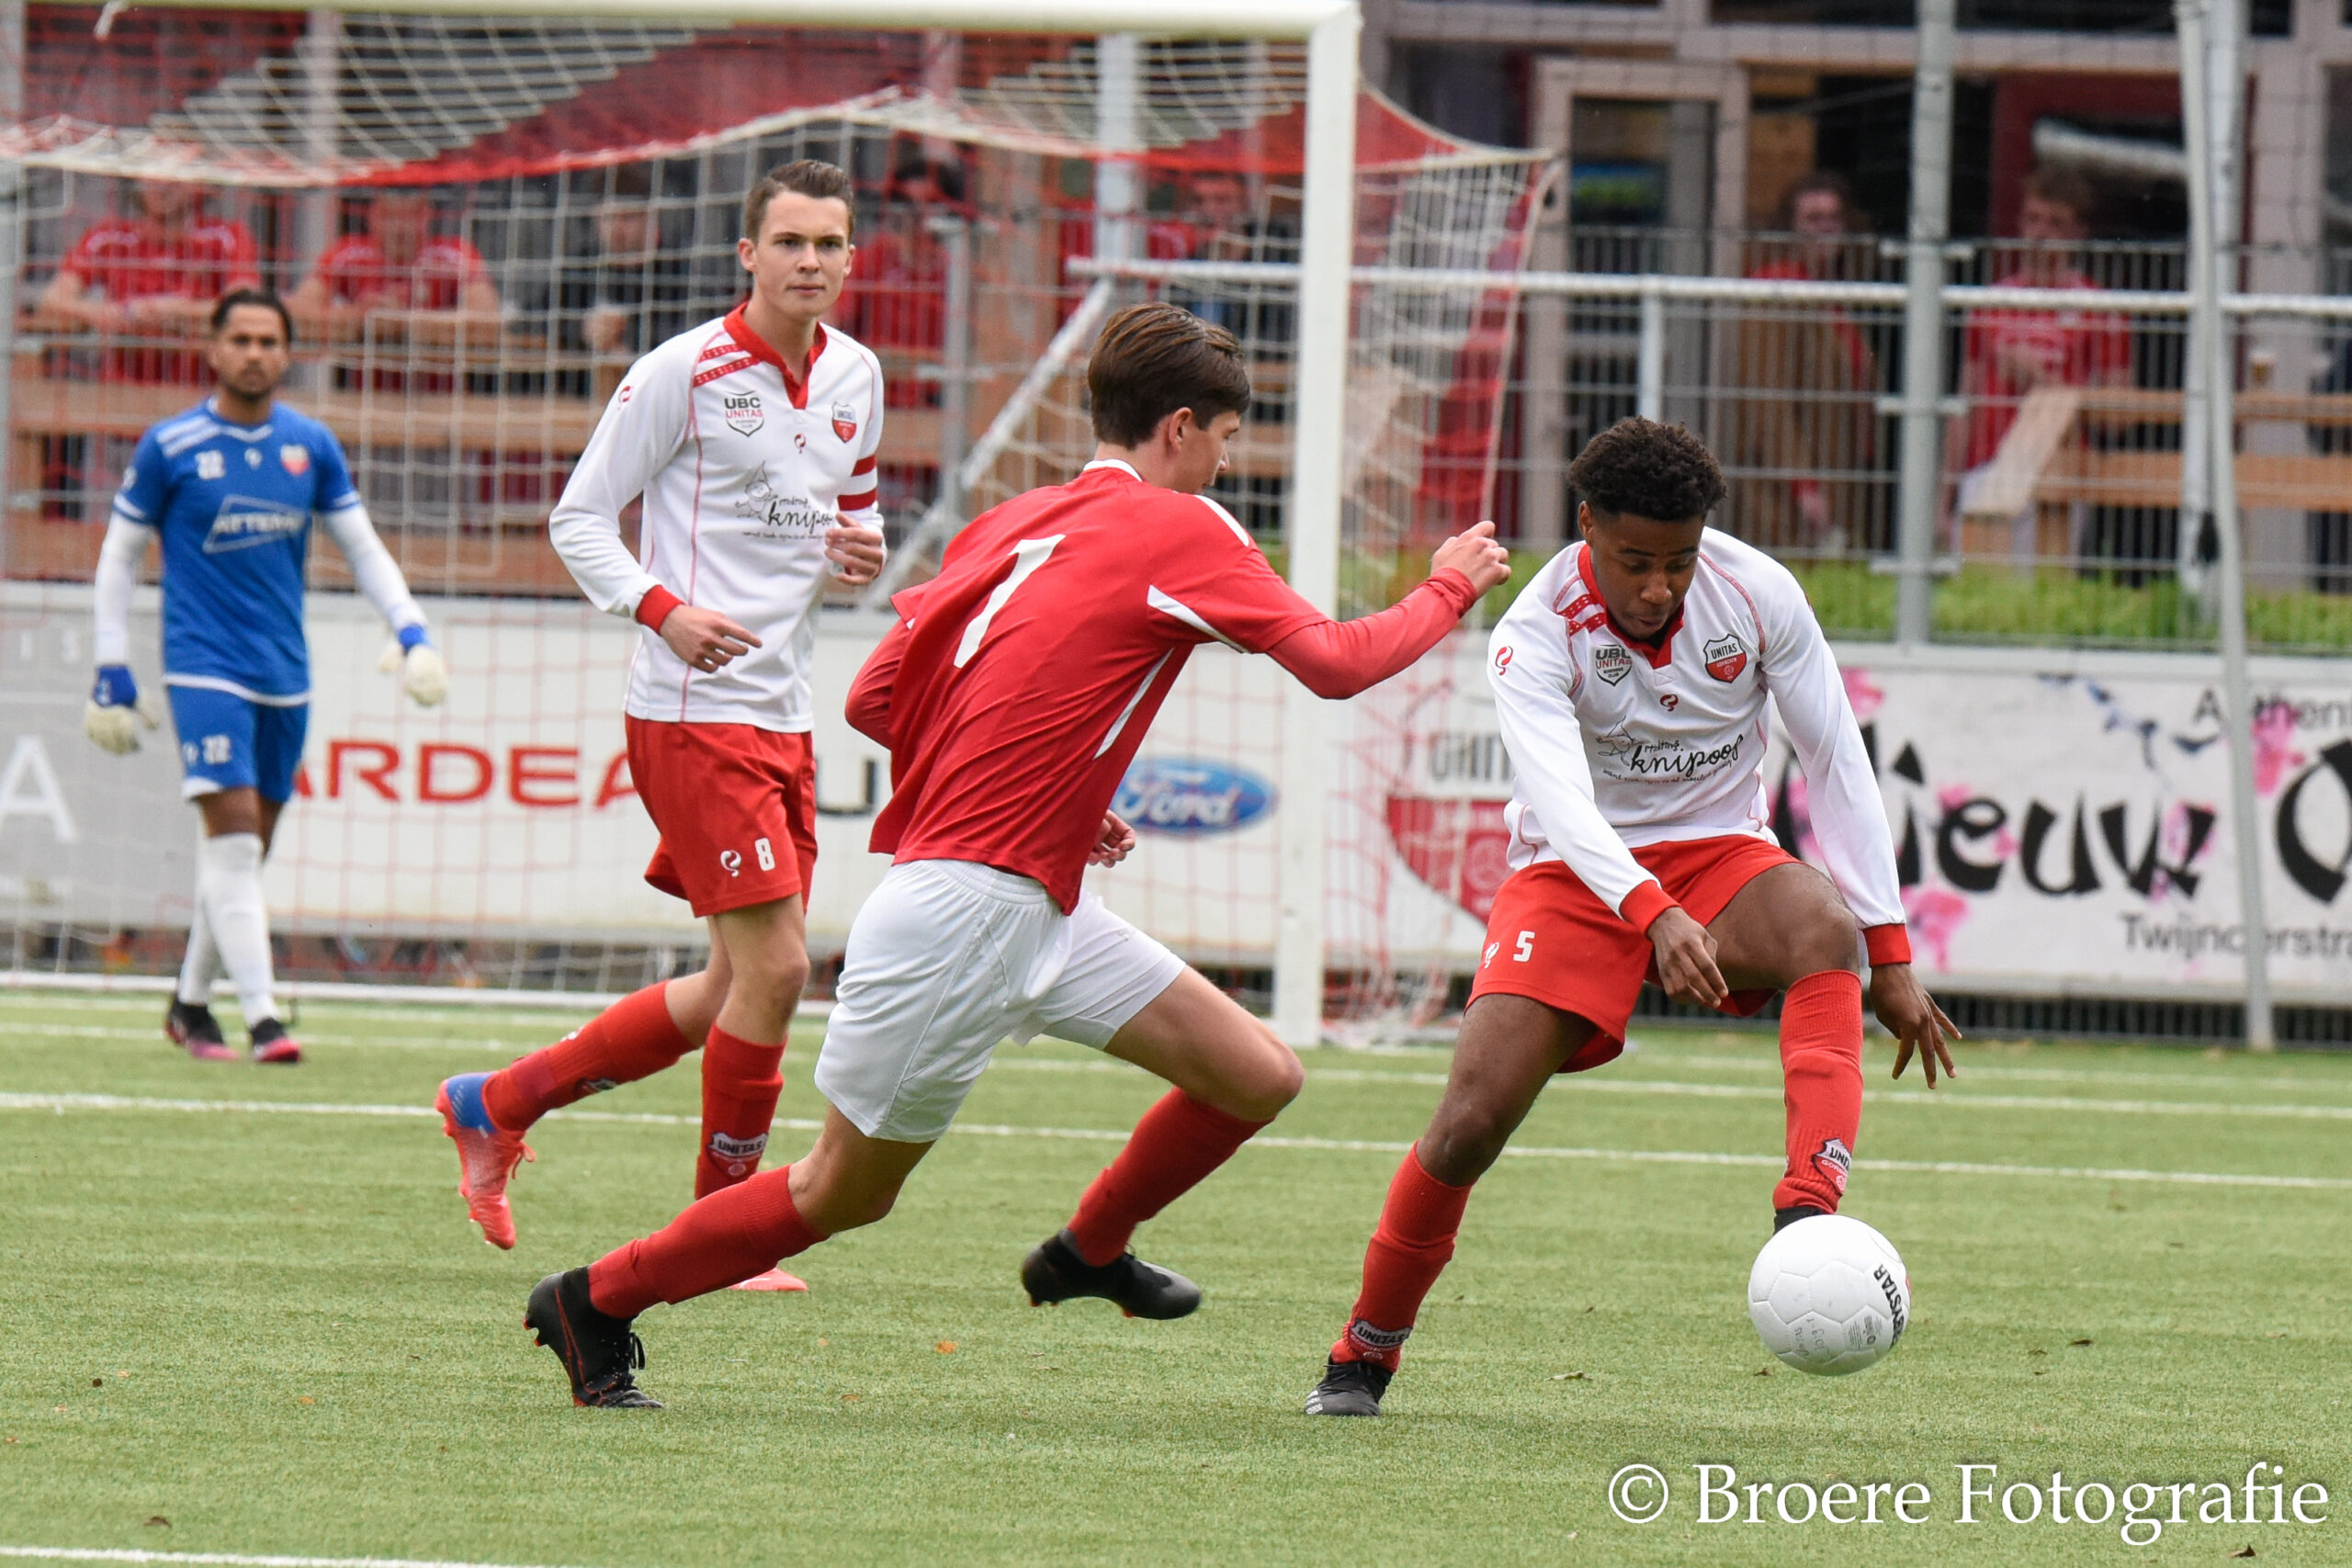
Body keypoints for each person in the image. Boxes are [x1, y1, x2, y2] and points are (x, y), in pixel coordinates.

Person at [514, 301, 1512, 1409]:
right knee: (841, 1190)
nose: (1227, 466)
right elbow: (1335, 663)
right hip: (968, 914)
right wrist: (1450, 583)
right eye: (1227, 441)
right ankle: (593, 1300)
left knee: (1256, 1073)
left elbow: (876, 697)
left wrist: (1055, 787)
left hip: (1034, 896)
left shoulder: (1010, 520)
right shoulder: (1186, 527)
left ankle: (1089, 1250)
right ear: (1180, 428)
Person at [1301, 418, 1958, 1419]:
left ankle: (1806, 1218)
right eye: (1635, 561)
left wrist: (1891, 951)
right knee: (1470, 1123)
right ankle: (1366, 1348)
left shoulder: (1758, 592)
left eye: (1678, 562)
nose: (1658, 587)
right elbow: (1561, 803)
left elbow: (1835, 760)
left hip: (1720, 857)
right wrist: (1649, 911)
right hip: (1570, 873)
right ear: (1587, 528)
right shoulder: (1534, 629)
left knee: (1823, 929)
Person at [432, 161, 889, 1268]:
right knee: (777, 972)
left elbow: (856, 524)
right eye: (790, 242)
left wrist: (859, 554)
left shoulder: (858, 375)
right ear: (748, 253)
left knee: (735, 982)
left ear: (850, 258)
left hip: (782, 711)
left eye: (828, 243)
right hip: (690, 707)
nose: (810, 262)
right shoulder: (682, 369)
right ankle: (723, 1237)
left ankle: (496, 1103)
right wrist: (663, 610)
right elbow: (580, 518)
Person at [82, 288, 449, 1063]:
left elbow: (361, 546)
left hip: (285, 672)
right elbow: (119, 554)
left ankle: (190, 1005)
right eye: (241, 339)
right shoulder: (171, 445)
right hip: (202, 666)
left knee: (241, 855)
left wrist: (410, 627)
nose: (254, 353)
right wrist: (111, 662)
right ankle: (265, 1019)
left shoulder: (308, 445)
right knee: (236, 845)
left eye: (268, 341)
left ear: (287, 353)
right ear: (213, 349)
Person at [1948, 166, 2132, 566]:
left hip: (2056, 473)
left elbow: (2118, 416)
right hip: (1987, 465)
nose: (2041, 233)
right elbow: (1964, 404)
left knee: (2042, 588)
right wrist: (1942, 499)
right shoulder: (1991, 302)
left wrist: (2045, 383)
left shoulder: (2100, 308)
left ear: (2077, 233)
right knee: (1975, 583)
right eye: (2033, 219)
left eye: (2055, 223)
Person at [1724, 171, 1880, 552]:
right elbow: (1767, 399)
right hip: (1784, 493)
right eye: (1813, 219)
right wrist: (1804, 485)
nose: (1825, 229)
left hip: (1836, 472)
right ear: (1789, 228)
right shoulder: (1775, 290)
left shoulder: (1830, 294)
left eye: (1834, 219)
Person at [40, 180, 261, 384]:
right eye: (153, 174)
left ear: (200, 183)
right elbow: (52, 300)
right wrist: (111, 313)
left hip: (202, 386)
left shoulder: (228, 236)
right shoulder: (107, 235)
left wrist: (175, 311)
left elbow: (247, 306)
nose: (163, 184)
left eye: (175, 175)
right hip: (121, 385)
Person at [287, 188, 503, 351]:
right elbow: (294, 316)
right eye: (390, 216)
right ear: (372, 216)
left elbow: (488, 324)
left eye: (410, 217)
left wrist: (404, 321)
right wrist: (361, 317)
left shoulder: (454, 254)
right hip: (363, 390)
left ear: (427, 216)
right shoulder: (349, 253)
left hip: (441, 393)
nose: (399, 228)